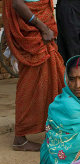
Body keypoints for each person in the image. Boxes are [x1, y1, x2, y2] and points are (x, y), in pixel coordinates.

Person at [3, 0, 65, 151]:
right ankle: (20, 138)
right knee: (29, 86)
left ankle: (53, 128)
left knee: (52, 81)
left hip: (40, 34)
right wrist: (43, 27)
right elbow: (17, 4)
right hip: (34, 35)